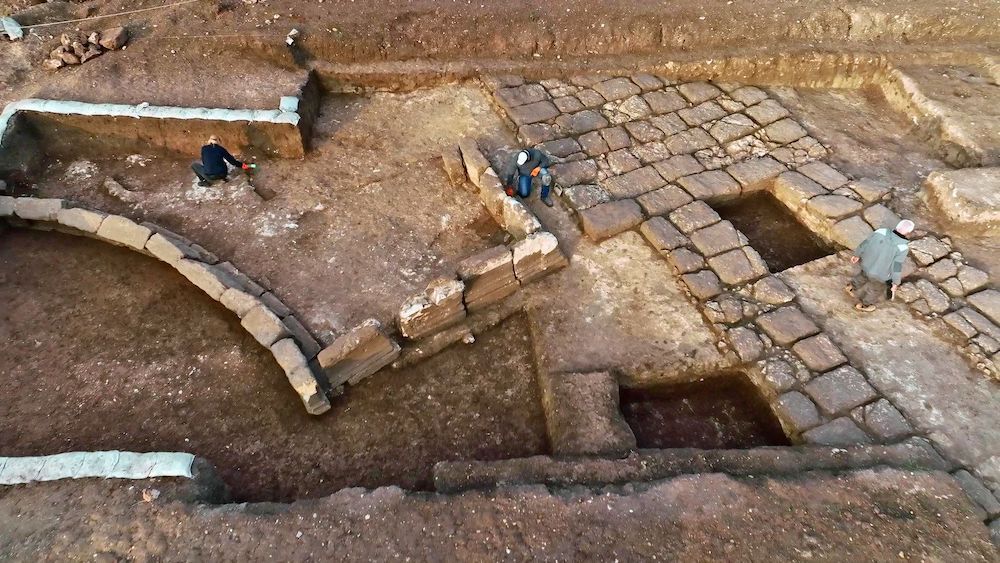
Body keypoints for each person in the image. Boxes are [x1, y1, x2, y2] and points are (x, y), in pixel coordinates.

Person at [845, 219, 914, 312]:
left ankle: (851, 287)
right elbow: (896, 266)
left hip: (867, 264)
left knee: (862, 276)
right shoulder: (903, 247)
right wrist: (896, 282)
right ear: (909, 232)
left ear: (897, 226)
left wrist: (857, 254)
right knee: (875, 290)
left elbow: (865, 243)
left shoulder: (881, 231)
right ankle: (864, 305)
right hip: (881, 275)